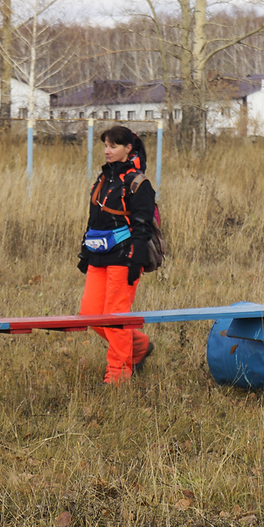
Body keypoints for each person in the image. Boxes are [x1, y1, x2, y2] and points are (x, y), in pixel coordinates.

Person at [77, 125, 156, 385]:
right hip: (98, 256)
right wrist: (84, 252)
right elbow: (94, 219)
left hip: (125, 258)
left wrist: (137, 259)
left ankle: (118, 375)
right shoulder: (102, 180)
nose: (107, 151)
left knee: (114, 317)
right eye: (105, 146)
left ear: (128, 149)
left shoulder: (138, 183)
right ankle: (138, 344)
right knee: (90, 315)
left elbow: (143, 225)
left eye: (113, 146)